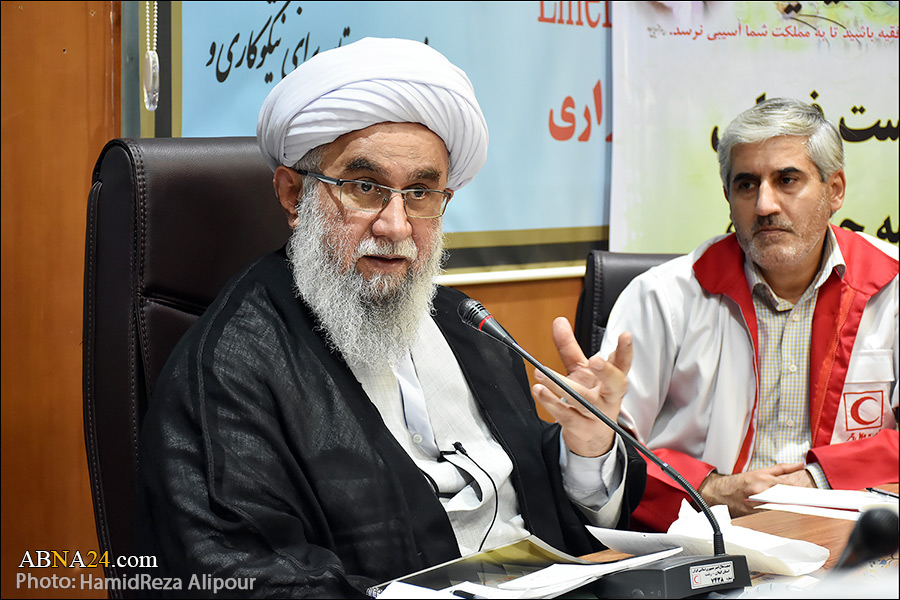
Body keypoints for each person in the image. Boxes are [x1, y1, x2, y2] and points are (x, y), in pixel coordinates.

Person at [136, 37, 645, 597]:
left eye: (422, 193)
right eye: (364, 187)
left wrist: (587, 445)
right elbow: (243, 572)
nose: (396, 226)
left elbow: (541, 504)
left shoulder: (465, 324)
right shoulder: (231, 369)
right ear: (292, 193)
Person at [599, 97, 898, 533]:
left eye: (787, 180)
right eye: (746, 185)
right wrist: (711, 488)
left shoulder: (891, 285)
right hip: (705, 534)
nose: (764, 205)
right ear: (728, 196)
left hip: (853, 535)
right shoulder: (662, 296)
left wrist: (820, 477)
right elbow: (610, 447)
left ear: (835, 189)